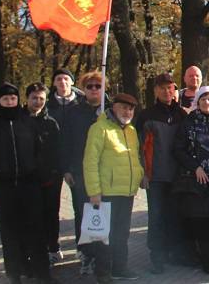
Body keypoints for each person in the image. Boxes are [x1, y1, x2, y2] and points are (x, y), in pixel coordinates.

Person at [0, 83, 59, 284]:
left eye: (13, 99)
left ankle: (42, 273)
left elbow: (39, 149)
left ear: (18, 100)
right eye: (5, 99)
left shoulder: (27, 122)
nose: (10, 102)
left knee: (36, 230)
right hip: (2, 187)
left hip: (29, 185)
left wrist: (37, 170)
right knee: (9, 232)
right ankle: (14, 274)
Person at [83, 93, 146, 282]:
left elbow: (134, 157)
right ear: (114, 108)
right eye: (124, 108)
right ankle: (103, 271)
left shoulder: (132, 130)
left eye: (131, 109)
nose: (127, 112)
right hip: (106, 192)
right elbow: (90, 161)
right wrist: (94, 191)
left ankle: (120, 267)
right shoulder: (99, 129)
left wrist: (140, 176)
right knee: (104, 234)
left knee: (122, 233)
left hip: (126, 191)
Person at [173, 86, 209, 274]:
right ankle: (206, 259)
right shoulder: (188, 123)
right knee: (200, 222)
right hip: (197, 182)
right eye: (203, 99)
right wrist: (195, 167)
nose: (207, 102)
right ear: (197, 102)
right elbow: (179, 150)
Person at [135, 73, 188, 274]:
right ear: (156, 90)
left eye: (170, 88)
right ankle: (156, 256)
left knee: (175, 216)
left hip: (177, 176)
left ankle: (174, 253)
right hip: (155, 176)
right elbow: (139, 147)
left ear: (175, 90)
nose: (167, 92)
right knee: (156, 217)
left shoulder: (182, 115)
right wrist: (143, 173)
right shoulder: (146, 115)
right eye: (162, 88)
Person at [62, 71, 109, 275]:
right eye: (89, 86)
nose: (93, 90)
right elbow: (65, 141)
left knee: (104, 213)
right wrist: (67, 169)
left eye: (97, 86)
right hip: (80, 172)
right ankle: (86, 253)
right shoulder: (73, 112)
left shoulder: (111, 110)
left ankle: (104, 255)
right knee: (83, 213)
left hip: (107, 172)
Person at [25, 83, 65, 265]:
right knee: (31, 216)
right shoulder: (19, 121)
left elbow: (58, 149)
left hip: (50, 178)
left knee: (51, 214)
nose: (38, 101)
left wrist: (56, 172)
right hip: (27, 179)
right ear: (27, 98)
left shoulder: (51, 122)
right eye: (34, 98)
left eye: (41, 98)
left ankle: (53, 247)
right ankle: (32, 251)